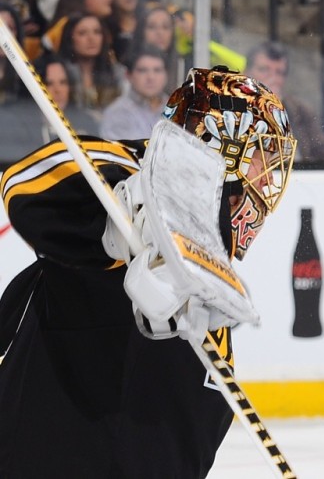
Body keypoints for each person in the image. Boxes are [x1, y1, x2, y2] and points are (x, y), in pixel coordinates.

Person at [0, 65, 297, 478]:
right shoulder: (126, 194)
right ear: (222, 144)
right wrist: (126, 212)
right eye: (263, 156)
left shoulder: (209, 293)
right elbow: (27, 185)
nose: (269, 181)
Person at [245, 40, 324, 161]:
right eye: (264, 69)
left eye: (279, 73)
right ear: (247, 73)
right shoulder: (231, 109)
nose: (273, 78)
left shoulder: (301, 111)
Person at [58, 12, 124, 115]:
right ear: (70, 39)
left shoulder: (117, 73)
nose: (91, 38)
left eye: (97, 32)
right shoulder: (58, 73)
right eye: (82, 33)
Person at [100, 46, 169, 140]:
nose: (151, 77)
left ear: (166, 75)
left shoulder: (178, 109)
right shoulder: (117, 113)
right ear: (128, 75)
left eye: (157, 70)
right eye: (142, 70)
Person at [128, 3, 179, 92]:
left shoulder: (184, 68)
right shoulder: (126, 73)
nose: (159, 33)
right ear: (141, 32)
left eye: (165, 27)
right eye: (152, 27)